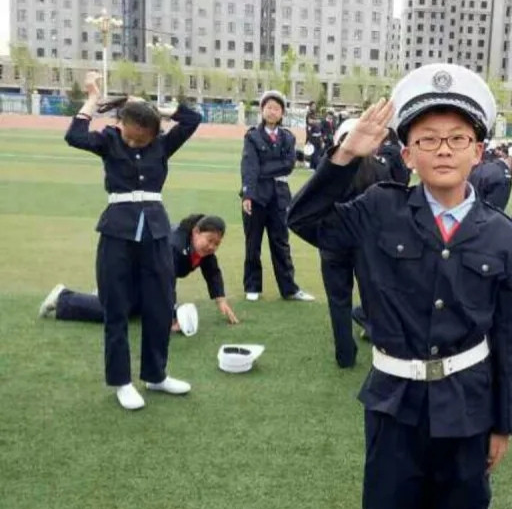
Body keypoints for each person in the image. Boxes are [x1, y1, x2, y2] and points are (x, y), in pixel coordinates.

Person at [288, 64, 512, 509]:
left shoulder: (501, 234)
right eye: (428, 139)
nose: (443, 150)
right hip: (394, 402)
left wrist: (504, 421)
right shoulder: (378, 210)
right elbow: (304, 219)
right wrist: (346, 155)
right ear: (408, 151)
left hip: (468, 406)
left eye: (457, 139)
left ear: (479, 150)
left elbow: (510, 334)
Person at [64, 72, 201, 411]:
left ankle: (156, 376)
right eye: (131, 136)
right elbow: (74, 135)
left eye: (143, 139)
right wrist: (92, 98)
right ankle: (122, 382)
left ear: (153, 133)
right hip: (117, 234)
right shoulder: (109, 140)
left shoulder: (162, 144)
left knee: (160, 305)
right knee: (116, 308)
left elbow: (192, 119)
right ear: (121, 125)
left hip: (156, 233)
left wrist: (156, 110)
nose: (136, 143)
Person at [39, 214, 239, 328]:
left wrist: (220, 300)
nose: (212, 247)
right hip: (128, 269)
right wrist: (171, 317)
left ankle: (105, 296)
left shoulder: (200, 249)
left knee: (140, 309)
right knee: (120, 313)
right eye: (209, 240)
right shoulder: (175, 246)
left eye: (217, 244)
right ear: (196, 232)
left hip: (146, 275)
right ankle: (62, 297)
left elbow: (212, 271)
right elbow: (166, 282)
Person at [315, 118, 392, 367]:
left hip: (333, 241)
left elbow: (314, 203)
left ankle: (345, 355)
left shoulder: (329, 168)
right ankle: (385, 347)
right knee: (375, 297)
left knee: (338, 300)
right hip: (368, 243)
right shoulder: (380, 168)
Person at [240, 90, 314, 303]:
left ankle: (289, 289)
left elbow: (288, 164)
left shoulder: (288, 137)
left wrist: (263, 169)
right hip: (256, 196)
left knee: (281, 243)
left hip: (279, 197)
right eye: (269, 107)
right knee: (253, 243)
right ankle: (252, 286)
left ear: (282, 113)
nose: (272, 111)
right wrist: (247, 195)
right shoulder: (252, 136)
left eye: (276, 108)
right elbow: (249, 167)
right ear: (262, 110)